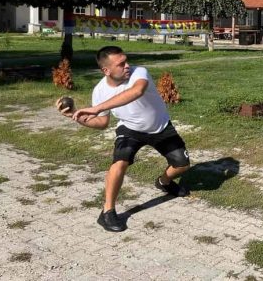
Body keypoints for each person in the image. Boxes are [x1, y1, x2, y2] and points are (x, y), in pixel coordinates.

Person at [56, 46, 190, 232]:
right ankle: (107, 211)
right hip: (130, 129)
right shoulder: (100, 90)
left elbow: (136, 92)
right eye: (121, 64)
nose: (127, 66)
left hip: (159, 126)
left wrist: (96, 108)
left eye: (126, 61)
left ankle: (163, 182)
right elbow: (102, 123)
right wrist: (76, 116)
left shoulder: (139, 72)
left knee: (182, 165)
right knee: (119, 163)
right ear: (106, 70)